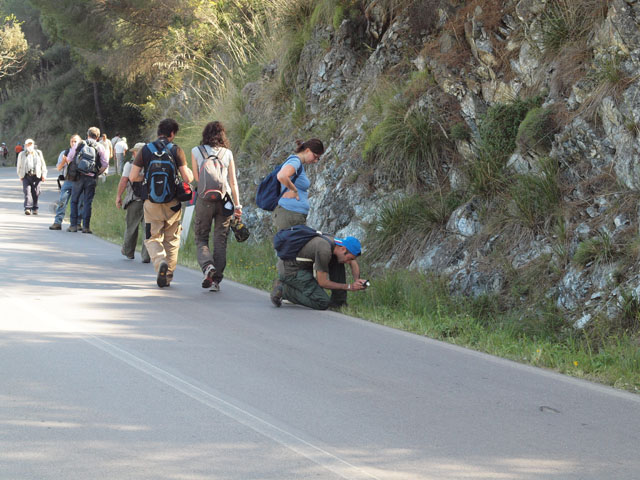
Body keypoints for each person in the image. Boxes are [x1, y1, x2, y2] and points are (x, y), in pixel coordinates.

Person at [128, 118, 194, 288]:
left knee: (152, 238)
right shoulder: (176, 150)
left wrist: (148, 178)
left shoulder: (145, 150)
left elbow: (133, 177)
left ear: (159, 132)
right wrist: (191, 175)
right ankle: (168, 275)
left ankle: (160, 262)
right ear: (172, 134)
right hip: (173, 203)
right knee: (172, 240)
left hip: (151, 203)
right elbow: (187, 178)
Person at [191, 121, 242, 291]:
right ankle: (216, 282)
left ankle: (208, 267)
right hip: (224, 200)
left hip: (204, 200)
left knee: (201, 237)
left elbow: (197, 178)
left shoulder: (196, 152)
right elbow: (233, 182)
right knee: (220, 240)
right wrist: (237, 205)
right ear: (222, 135)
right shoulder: (227, 153)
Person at [271, 234, 367, 310]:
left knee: (339, 261)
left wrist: (357, 280)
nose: (348, 262)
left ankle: (338, 303)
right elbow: (323, 282)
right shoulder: (324, 250)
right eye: (349, 258)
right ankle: (284, 289)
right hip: (291, 270)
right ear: (343, 249)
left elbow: (353, 261)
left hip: (302, 266)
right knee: (322, 302)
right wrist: (349, 287)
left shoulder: (336, 243)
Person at [272, 139, 324, 231]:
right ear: (307, 150)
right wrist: (293, 190)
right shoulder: (295, 161)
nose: (315, 161)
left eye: (318, 159)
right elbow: (282, 176)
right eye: (315, 156)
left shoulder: (297, 163)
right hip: (290, 215)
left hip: (293, 215)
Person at [67, 127, 109, 234]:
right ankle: (86, 227)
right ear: (98, 137)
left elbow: (70, 158)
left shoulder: (79, 144)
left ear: (87, 135)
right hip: (91, 178)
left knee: (74, 200)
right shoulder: (100, 147)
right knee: (87, 202)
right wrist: (96, 173)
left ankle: (73, 225)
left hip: (79, 176)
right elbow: (105, 164)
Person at [115, 142, 150, 263]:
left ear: (137, 153)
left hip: (134, 200)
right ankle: (146, 256)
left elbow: (124, 181)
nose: (133, 153)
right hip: (150, 201)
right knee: (148, 229)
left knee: (131, 227)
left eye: (135, 151)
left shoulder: (130, 165)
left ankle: (128, 252)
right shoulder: (152, 165)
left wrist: (118, 196)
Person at [49, 134, 83, 230]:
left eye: (75, 141)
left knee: (79, 203)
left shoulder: (83, 152)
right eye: (72, 141)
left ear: (80, 142)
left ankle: (77, 224)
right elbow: (59, 168)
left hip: (79, 181)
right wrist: (64, 160)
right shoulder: (65, 152)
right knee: (62, 202)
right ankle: (57, 222)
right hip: (68, 180)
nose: (73, 143)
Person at [16, 138, 47, 215]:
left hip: (37, 175)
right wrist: (20, 175)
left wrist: (44, 175)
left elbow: (43, 164)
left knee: (36, 192)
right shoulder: (22, 154)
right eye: (27, 145)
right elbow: (18, 165)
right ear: (25, 146)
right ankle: (27, 208)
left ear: (33, 145)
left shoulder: (38, 153)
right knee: (27, 191)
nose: (29, 146)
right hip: (26, 175)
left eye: (30, 144)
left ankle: (35, 208)